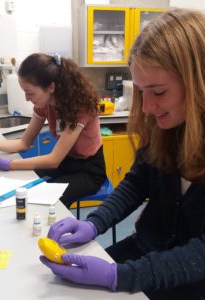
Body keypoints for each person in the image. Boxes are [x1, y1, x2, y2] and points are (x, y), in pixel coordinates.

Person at [39, 8, 205, 300]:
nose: (147, 108)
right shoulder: (163, 127)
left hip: (192, 279)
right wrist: (95, 222)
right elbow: (136, 182)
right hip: (146, 249)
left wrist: (120, 276)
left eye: (158, 92)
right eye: (141, 92)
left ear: (198, 82)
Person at [0, 53, 107, 208]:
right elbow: (24, 143)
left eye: (30, 93)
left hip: (89, 170)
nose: (26, 98)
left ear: (51, 87)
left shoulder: (80, 108)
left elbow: (53, 160)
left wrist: (7, 164)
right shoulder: (44, 105)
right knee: (22, 182)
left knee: (46, 197)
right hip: (67, 162)